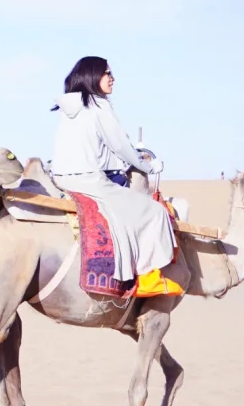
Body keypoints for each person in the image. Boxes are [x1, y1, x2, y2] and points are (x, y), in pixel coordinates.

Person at [50, 56, 181, 298]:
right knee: (155, 213)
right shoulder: (98, 105)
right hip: (89, 181)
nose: (112, 78)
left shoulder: (68, 107)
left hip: (61, 178)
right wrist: (149, 167)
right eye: (107, 73)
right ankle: (147, 279)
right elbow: (120, 146)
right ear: (92, 75)